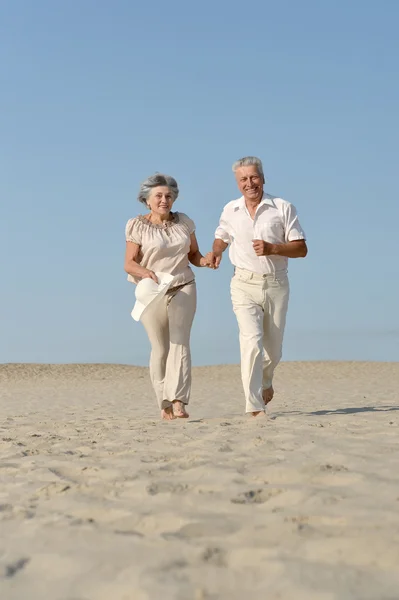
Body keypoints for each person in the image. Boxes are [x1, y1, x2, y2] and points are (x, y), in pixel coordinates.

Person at [204, 157, 308, 416]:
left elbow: (301, 248)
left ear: (263, 178)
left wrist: (273, 248)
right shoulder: (231, 209)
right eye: (243, 179)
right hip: (243, 284)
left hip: (276, 284)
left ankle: (266, 380)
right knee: (250, 341)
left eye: (254, 177)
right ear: (237, 183)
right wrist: (216, 251)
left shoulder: (283, 207)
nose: (249, 183)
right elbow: (222, 235)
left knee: (273, 350)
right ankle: (253, 405)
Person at [124, 173, 210, 421]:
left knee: (180, 342)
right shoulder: (136, 225)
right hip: (152, 290)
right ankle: (164, 402)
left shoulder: (184, 222)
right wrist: (146, 273)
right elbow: (129, 263)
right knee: (160, 348)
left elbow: (194, 254)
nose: (165, 200)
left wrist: (205, 261)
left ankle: (179, 401)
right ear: (147, 200)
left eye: (169, 196)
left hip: (183, 284)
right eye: (159, 196)